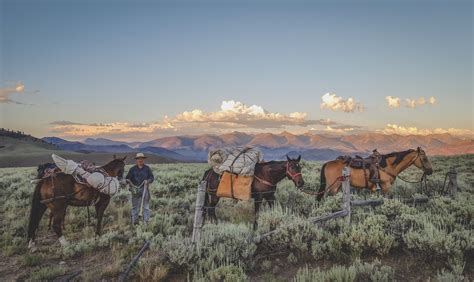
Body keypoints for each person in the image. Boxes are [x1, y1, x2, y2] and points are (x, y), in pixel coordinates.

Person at [126, 153, 154, 225]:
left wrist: (147, 181)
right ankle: (134, 222)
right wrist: (129, 183)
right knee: (135, 207)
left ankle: (146, 222)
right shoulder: (132, 169)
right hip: (135, 190)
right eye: (139, 159)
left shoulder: (147, 169)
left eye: (142, 158)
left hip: (144, 190)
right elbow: (127, 178)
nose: (140, 160)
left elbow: (152, 178)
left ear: (143, 159)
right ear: (136, 160)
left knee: (146, 207)